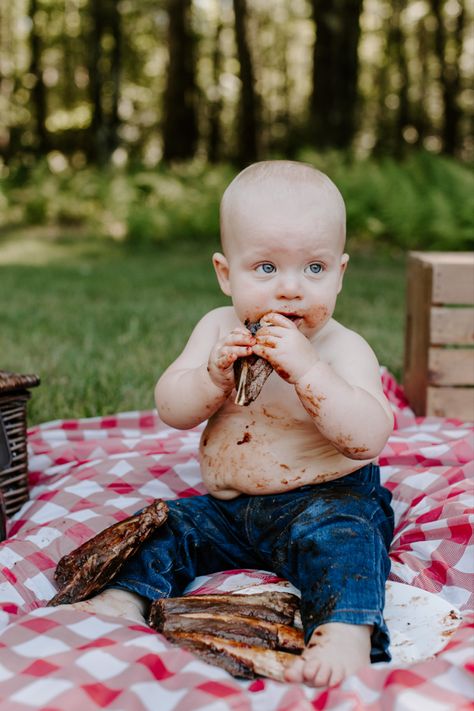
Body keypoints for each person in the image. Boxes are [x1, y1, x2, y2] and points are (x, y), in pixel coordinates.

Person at [72, 161, 394, 687]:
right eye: (265, 268)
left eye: (313, 269)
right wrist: (210, 377)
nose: (290, 290)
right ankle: (125, 597)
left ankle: (345, 629)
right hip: (230, 510)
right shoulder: (217, 330)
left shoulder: (342, 346)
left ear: (340, 272)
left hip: (326, 498)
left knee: (349, 542)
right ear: (226, 273)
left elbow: (368, 437)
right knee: (165, 526)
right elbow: (172, 410)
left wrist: (310, 372)